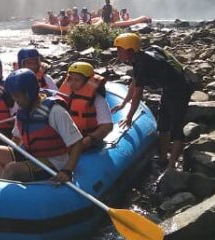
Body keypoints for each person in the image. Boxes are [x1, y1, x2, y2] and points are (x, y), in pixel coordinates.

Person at [0, 69, 84, 183]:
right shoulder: (23, 109)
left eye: (18, 96)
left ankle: (3, 192)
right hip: (31, 156)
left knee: (12, 169)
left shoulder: (55, 111)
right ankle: (3, 183)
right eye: (13, 96)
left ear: (29, 92)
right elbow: (16, 139)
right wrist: (8, 157)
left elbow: (77, 143)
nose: (15, 101)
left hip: (53, 163)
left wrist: (67, 171)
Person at [113, 33, 191, 173]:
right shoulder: (140, 58)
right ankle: (162, 158)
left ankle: (171, 166)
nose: (117, 53)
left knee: (177, 126)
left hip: (180, 89)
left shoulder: (143, 62)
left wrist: (129, 117)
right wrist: (124, 103)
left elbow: (138, 94)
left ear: (130, 50)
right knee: (163, 124)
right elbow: (134, 82)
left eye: (120, 50)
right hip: (169, 88)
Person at [58, 62, 113, 150]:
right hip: (68, 136)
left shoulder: (98, 100)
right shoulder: (63, 95)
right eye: (70, 79)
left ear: (87, 81)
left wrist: (91, 138)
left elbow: (107, 126)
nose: (72, 83)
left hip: (86, 138)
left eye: (77, 80)